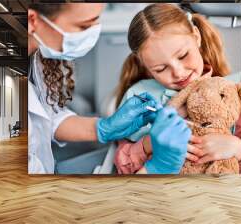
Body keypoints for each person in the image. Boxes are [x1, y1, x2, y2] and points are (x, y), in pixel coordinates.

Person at [27, 3, 191, 174]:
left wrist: (103, 128)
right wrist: (158, 169)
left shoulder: (37, 57)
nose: (178, 73)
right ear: (32, 20)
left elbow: (48, 118)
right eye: (84, 26)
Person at [113, 3, 241, 174]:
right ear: (146, 66)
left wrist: (238, 148)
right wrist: (150, 143)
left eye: (183, 56)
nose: (178, 72)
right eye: (161, 69)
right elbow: (122, 163)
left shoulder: (230, 91)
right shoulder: (139, 98)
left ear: (196, 37)